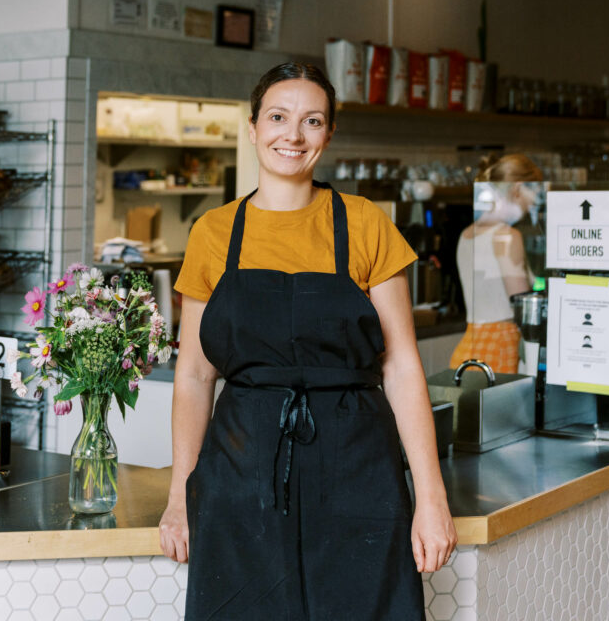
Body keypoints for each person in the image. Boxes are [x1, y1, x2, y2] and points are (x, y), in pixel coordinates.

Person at [159, 62, 457, 620]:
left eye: (311, 121)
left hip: (359, 474)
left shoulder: (366, 224)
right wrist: (181, 496)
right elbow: (195, 376)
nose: (292, 136)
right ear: (252, 127)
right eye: (277, 117)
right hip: (241, 477)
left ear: (328, 134)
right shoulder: (213, 233)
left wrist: (431, 498)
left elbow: (402, 369)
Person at [448, 153, 544, 374]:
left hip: (468, 351)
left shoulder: (466, 234)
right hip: (501, 350)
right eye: (535, 191)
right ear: (518, 188)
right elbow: (520, 304)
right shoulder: (507, 235)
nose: (535, 202)